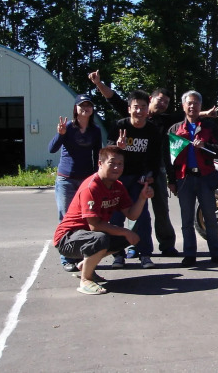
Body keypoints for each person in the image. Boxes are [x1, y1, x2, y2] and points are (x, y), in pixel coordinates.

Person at [88, 71, 217, 257]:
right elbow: (113, 98)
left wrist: (205, 113)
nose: (163, 104)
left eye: (166, 102)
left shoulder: (165, 120)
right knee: (133, 209)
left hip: (156, 168)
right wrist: (99, 84)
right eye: (160, 100)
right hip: (130, 171)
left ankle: (167, 244)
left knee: (161, 207)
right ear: (150, 99)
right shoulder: (134, 113)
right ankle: (133, 245)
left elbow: (188, 113)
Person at [53, 145, 154, 295]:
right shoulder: (91, 187)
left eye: (120, 164)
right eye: (112, 163)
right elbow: (94, 226)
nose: (116, 167)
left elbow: (131, 215)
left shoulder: (118, 186)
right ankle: (85, 280)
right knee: (101, 238)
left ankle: (86, 265)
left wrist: (142, 198)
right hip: (67, 238)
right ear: (100, 163)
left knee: (128, 238)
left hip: (88, 237)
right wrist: (125, 231)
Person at [167, 91, 218, 267]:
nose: (192, 106)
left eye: (196, 103)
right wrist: (171, 180)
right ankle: (190, 255)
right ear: (183, 106)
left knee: (210, 218)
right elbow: (168, 157)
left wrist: (205, 146)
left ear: (200, 106)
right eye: (189, 103)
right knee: (186, 220)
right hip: (184, 178)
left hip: (205, 177)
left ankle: (216, 253)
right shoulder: (175, 129)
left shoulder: (209, 127)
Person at [107, 90, 162, 269]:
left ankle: (145, 255)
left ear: (148, 109)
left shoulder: (152, 130)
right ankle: (118, 255)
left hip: (140, 179)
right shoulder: (119, 126)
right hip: (119, 179)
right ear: (129, 109)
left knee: (143, 217)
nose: (139, 111)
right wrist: (118, 147)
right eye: (136, 107)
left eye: (143, 107)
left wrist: (151, 176)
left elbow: (155, 157)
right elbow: (108, 153)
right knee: (116, 218)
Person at [48, 94, 103, 272]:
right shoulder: (68, 128)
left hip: (86, 180)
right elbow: (52, 149)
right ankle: (66, 258)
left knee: (85, 218)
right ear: (76, 109)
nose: (85, 108)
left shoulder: (95, 131)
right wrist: (60, 134)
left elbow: (97, 155)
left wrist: (96, 177)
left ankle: (80, 256)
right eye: (82, 105)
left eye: (89, 105)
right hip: (66, 179)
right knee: (66, 218)